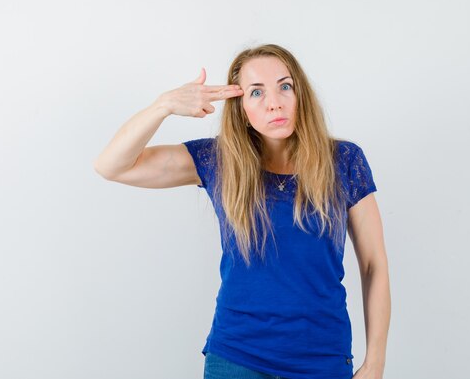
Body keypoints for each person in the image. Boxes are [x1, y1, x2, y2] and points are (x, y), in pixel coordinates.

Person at [93, 44, 391, 379]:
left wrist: (375, 362)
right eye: (256, 92)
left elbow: (373, 265)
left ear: (300, 94)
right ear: (241, 108)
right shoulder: (219, 161)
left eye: (285, 86)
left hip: (322, 358)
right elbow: (111, 166)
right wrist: (164, 106)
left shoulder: (344, 161)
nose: (274, 102)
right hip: (237, 357)